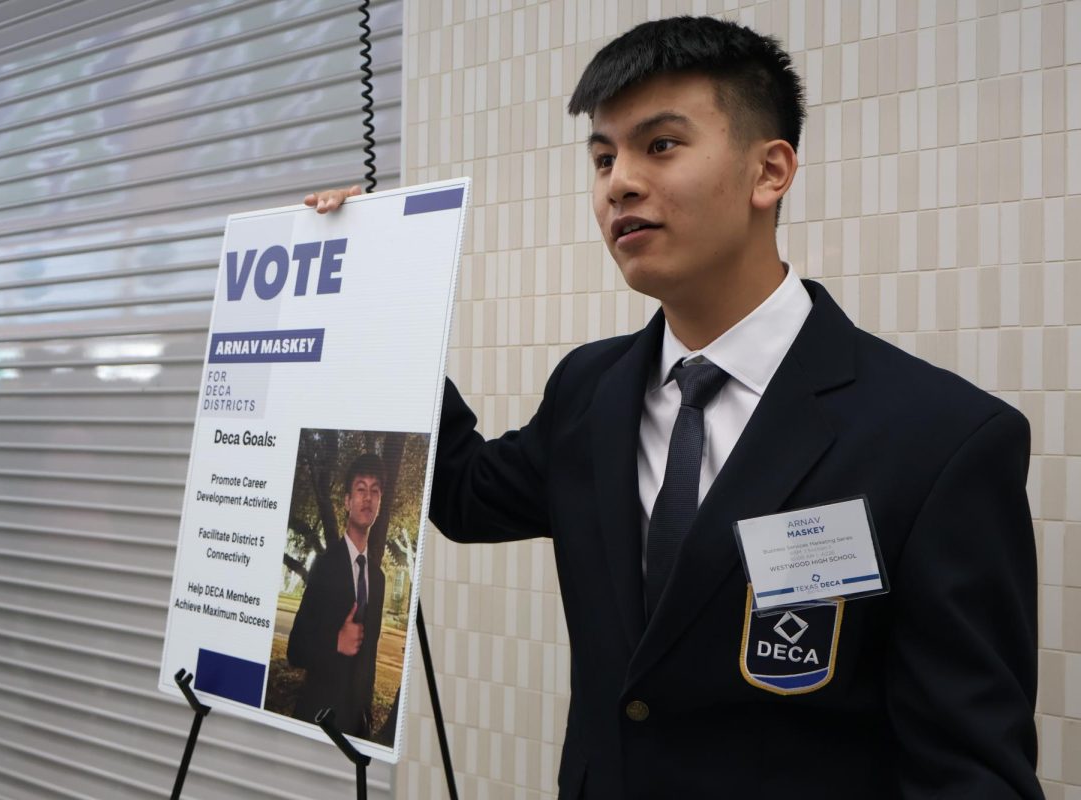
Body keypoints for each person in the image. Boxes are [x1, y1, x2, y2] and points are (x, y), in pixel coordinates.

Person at [308, 15, 1040, 799]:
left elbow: (970, 771)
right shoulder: (591, 391)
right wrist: (378, 294)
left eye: (659, 145)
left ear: (771, 172)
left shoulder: (939, 440)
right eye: (602, 156)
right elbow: (458, 495)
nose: (618, 181)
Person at [286, 453, 386, 738]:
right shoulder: (324, 565)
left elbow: (368, 660)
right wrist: (336, 643)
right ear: (346, 502)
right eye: (360, 489)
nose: (368, 497)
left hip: (356, 731)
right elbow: (295, 649)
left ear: (379, 503)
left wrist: (365, 718)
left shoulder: (378, 580)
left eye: (375, 490)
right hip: (318, 722)